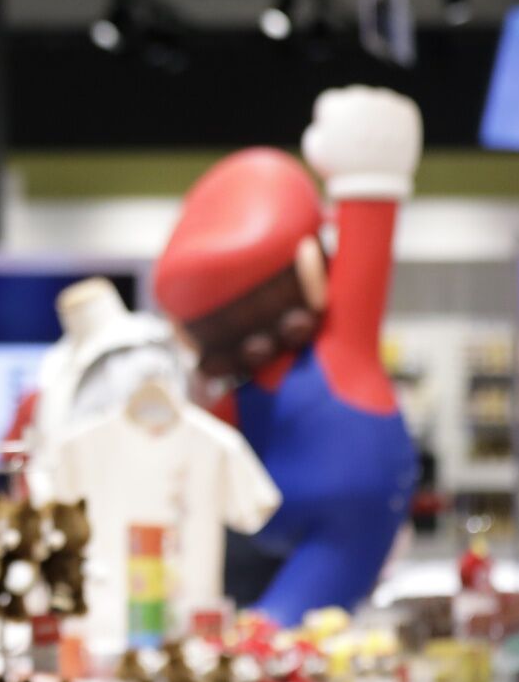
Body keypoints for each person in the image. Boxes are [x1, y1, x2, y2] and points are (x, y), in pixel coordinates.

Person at [152, 87, 421, 625]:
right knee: (263, 637)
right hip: (260, 528)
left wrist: (368, 175)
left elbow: (366, 248)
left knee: (281, 635)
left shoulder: (340, 353)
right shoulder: (249, 390)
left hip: (336, 533)